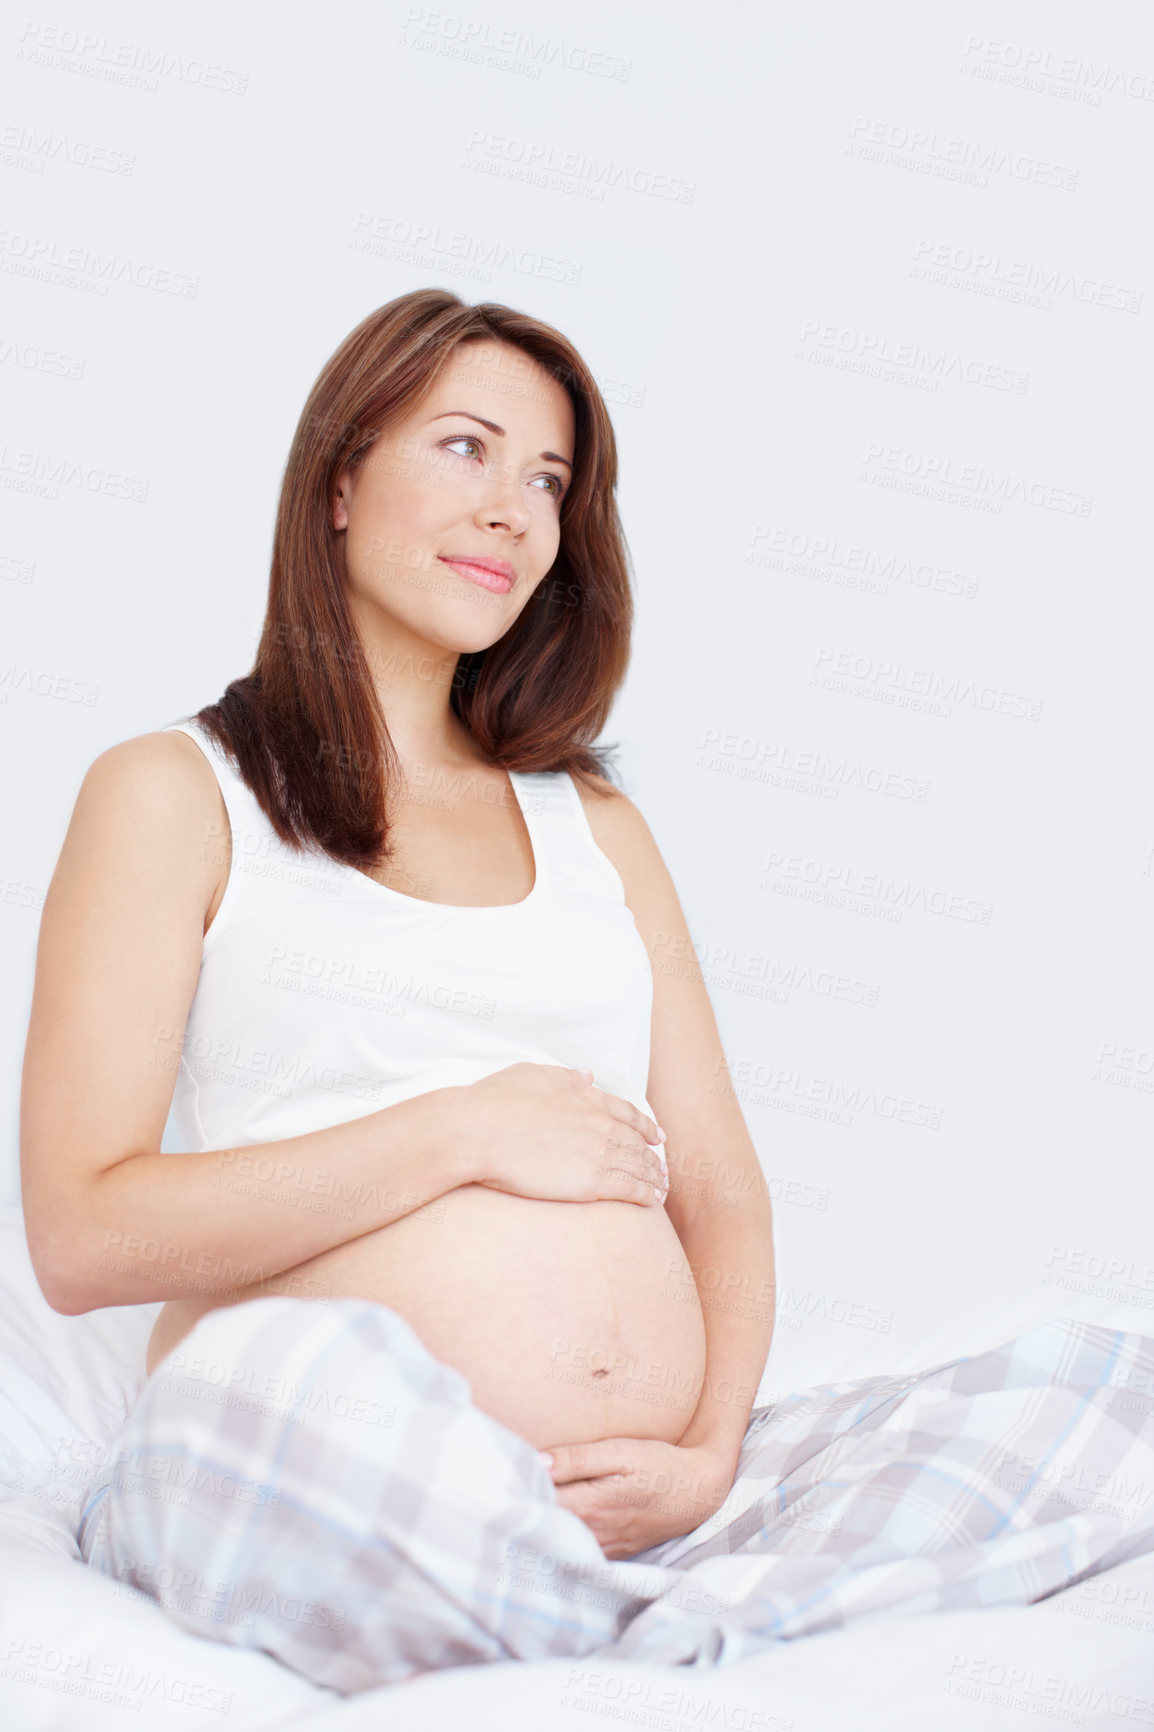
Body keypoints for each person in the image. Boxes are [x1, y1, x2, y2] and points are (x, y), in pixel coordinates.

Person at [19, 288, 778, 1684]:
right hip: (299, 1461)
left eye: (548, 480)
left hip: (627, 1509)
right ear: (339, 481)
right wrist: (460, 1133)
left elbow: (717, 1186)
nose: (512, 510)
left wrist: (708, 1451)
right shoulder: (175, 795)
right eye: (465, 448)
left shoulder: (591, 821)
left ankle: (587, 1608)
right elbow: (82, 1236)